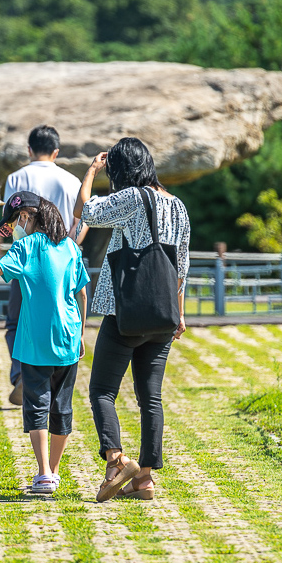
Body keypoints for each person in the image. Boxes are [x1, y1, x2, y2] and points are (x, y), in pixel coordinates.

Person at [73, 138, 190, 503]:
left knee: (101, 391)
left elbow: (85, 212)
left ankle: (116, 460)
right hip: (163, 315)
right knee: (150, 398)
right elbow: (181, 267)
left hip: (126, 312)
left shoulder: (131, 198)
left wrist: (91, 171)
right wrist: (179, 313)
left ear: (121, 171)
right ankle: (145, 481)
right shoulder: (178, 206)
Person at [0, 190, 89, 494]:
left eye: (13, 221)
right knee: (62, 405)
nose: (13, 229)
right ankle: (55, 471)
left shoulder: (26, 246)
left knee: (36, 404)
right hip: (68, 338)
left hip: (35, 341)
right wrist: (81, 333)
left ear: (25, 216)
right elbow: (82, 294)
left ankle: (44, 472)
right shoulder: (70, 247)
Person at [0, 124, 85, 406]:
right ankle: (54, 374)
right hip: (63, 256)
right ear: (57, 151)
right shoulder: (72, 180)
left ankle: (23, 375)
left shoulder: (15, 178)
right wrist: (71, 245)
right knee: (60, 314)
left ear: (29, 150)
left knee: (16, 321)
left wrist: (10, 248)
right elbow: (81, 222)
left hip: (24, 258)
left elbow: (9, 222)